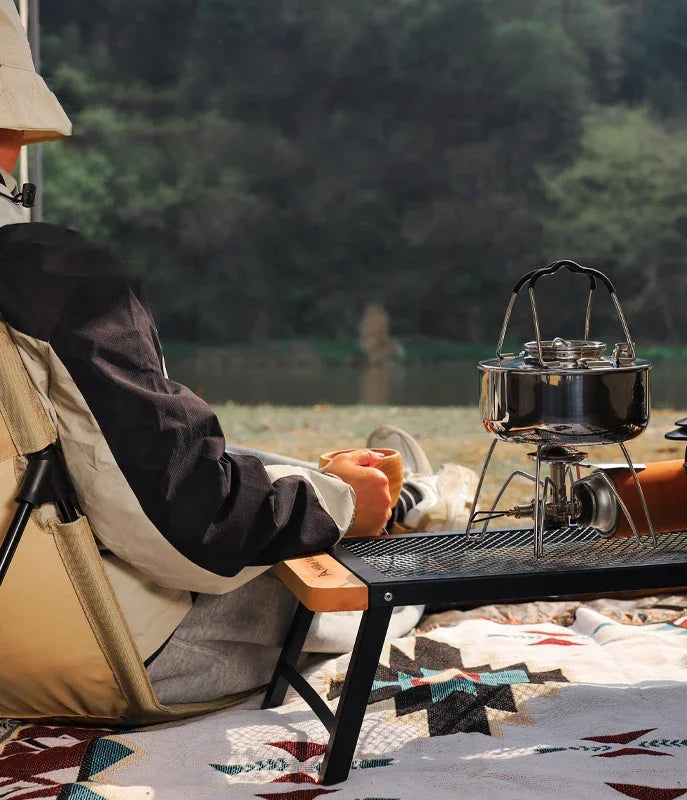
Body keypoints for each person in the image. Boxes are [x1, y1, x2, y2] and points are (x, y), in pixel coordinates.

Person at [0, 1, 477, 705]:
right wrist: (341, 505)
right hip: (109, 652)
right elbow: (191, 526)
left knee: (242, 466)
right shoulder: (52, 277)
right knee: (346, 566)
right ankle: (410, 514)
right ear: (13, 133)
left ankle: (399, 495)